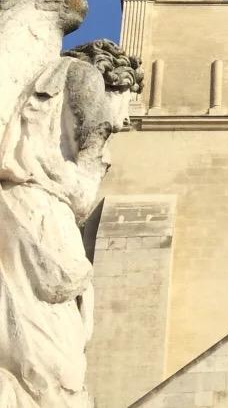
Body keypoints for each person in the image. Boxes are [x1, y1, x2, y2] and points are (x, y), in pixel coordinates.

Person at [0, 21, 142, 407]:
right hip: (44, 213)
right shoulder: (84, 78)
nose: (125, 121)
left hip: (27, 208)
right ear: (116, 82)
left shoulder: (48, 80)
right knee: (54, 347)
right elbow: (85, 173)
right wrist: (94, 165)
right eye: (126, 100)